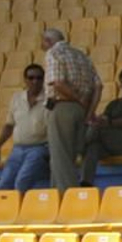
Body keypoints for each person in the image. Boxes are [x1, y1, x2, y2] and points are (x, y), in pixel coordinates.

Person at [40, 27, 102, 191]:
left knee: (61, 157)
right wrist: (88, 112)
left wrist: (78, 98)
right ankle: (57, 197)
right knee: (69, 154)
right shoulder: (82, 56)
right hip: (81, 110)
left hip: (61, 106)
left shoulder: (53, 53)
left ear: (48, 41)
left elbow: (58, 83)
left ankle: (68, 197)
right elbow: (98, 86)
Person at [0, 64, 50, 193]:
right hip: (17, 149)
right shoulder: (17, 98)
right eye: (31, 77)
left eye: (39, 78)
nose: (35, 81)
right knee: (3, 184)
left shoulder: (50, 100)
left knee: (22, 182)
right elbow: (9, 125)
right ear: (25, 80)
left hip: (39, 148)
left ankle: (18, 212)